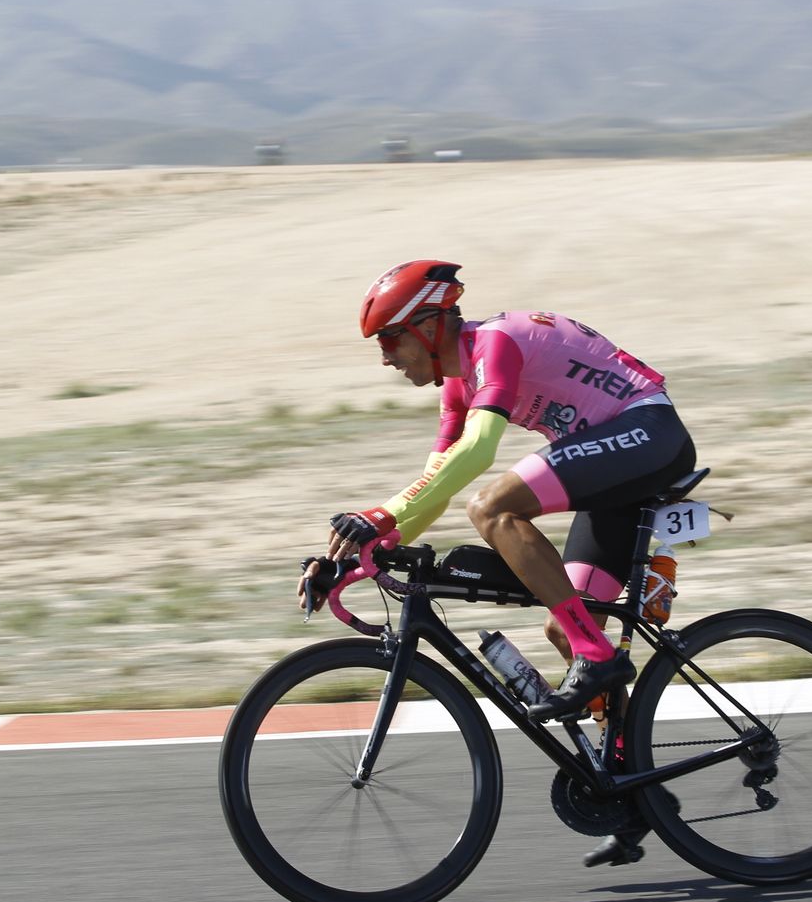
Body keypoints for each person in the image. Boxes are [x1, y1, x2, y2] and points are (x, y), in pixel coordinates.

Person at [298, 261, 698, 864]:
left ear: (429, 326)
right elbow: (434, 488)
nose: (385, 358)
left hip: (648, 432)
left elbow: (480, 452)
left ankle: (597, 660)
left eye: (391, 339)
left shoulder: (495, 344)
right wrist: (359, 553)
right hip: (616, 465)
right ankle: (637, 787)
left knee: (492, 509)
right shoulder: (459, 383)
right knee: (567, 623)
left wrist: (380, 516)